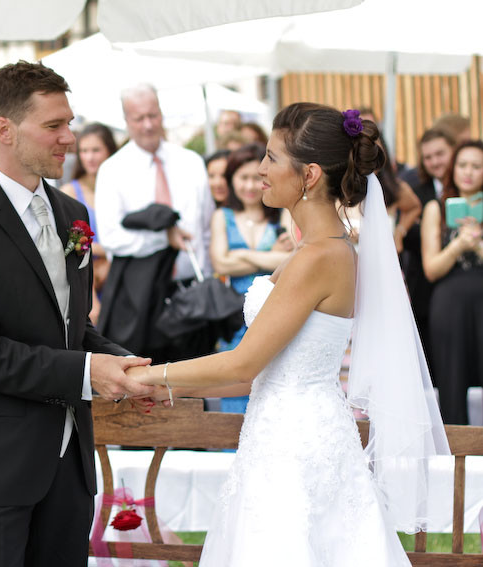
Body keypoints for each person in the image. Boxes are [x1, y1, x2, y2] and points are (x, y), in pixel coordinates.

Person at [128, 103, 448, 565]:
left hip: (299, 447)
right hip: (277, 432)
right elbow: (251, 376)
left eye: (272, 158)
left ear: (310, 175)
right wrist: (169, 390)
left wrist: (145, 376)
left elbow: (243, 362)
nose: (259, 169)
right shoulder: (309, 251)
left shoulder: (322, 257)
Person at [0, 60, 152, 567]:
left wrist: (129, 365)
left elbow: (74, 328)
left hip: (69, 462)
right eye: (54, 125)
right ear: (4, 130)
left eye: (69, 122)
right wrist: (90, 373)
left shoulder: (73, 214)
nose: (69, 137)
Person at [96, 83, 216, 362]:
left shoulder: (190, 162)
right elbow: (112, 237)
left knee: (194, 386)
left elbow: (206, 226)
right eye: (139, 119)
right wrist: (164, 240)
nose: (148, 125)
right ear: (126, 121)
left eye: (153, 115)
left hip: (190, 292)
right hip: (141, 296)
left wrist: (206, 283)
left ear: (162, 114)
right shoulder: (112, 170)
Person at [209, 143, 293, 414]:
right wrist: (265, 255)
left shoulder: (282, 214)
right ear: (231, 180)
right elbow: (220, 262)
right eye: (242, 178)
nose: (249, 186)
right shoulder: (222, 216)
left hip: (274, 315)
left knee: (273, 395)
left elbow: (289, 261)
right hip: (234, 318)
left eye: (256, 178)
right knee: (233, 390)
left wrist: (240, 257)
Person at [421, 140, 483, 425]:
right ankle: (454, 457)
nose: (468, 172)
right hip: (449, 303)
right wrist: (458, 245)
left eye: (476, 166)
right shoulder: (437, 207)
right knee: (452, 377)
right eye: (462, 165)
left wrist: (478, 242)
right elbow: (431, 269)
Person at [400, 128, 456, 359]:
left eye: (440, 154)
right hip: (425, 288)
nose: (435, 162)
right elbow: (404, 232)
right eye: (428, 157)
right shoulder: (415, 191)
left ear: (454, 151)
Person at [59, 122, 118, 325]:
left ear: (110, 150)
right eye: (84, 151)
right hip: (89, 284)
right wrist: (107, 248)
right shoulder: (71, 192)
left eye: (96, 150)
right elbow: (76, 246)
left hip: (119, 279)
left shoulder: (119, 188)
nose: (89, 157)